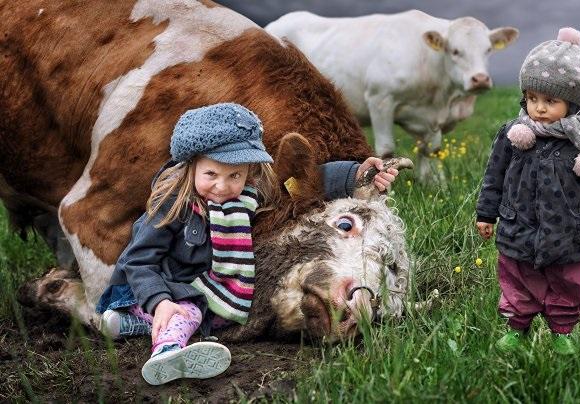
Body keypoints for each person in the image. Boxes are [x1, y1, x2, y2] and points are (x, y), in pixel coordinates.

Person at [95, 103, 399, 385]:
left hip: (199, 285)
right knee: (189, 312)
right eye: (211, 174)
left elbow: (305, 180)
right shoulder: (170, 207)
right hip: (160, 286)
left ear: (249, 173)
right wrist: (160, 301)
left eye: (235, 175)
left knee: (206, 309)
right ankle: (167, 354)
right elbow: (138, 263)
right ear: (190, 167)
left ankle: (129, 324)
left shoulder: (245, 196)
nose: (222, 187)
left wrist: (355, 173)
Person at [475, 28, 580, 355]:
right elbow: (493, 175)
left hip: (569, 231)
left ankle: (563, 329)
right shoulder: (514, 133)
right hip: (518, 226)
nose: (538, 108)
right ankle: (516, 326)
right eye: (532, 98)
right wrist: (486, 213)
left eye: (550, 101)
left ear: (573, 102)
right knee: (516, 276)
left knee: (566, 279)